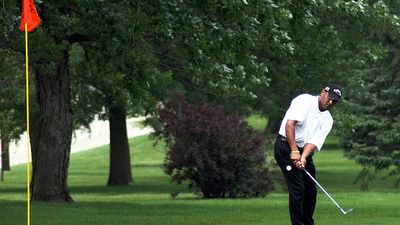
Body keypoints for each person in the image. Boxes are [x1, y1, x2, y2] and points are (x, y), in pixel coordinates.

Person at [274, 84, 342, 225]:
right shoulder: (305, 101)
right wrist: (293, 151)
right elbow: (290, 125)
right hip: (285, 146)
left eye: (334, 101)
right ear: (323, 92)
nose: (330, 102)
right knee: (298, 189)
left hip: (303, 150)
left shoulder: (328, 120)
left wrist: (303, 156)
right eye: (329, 98)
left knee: (311, 191)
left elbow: (314, 142)